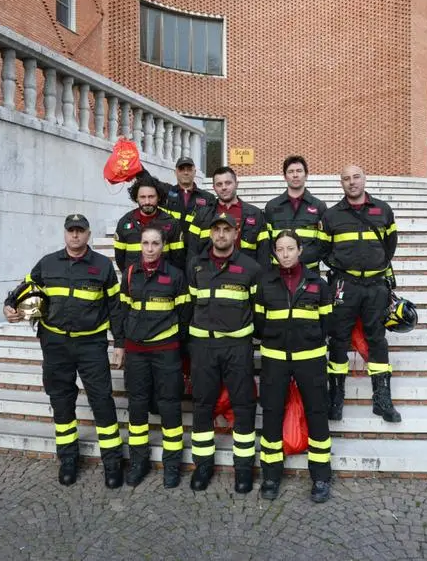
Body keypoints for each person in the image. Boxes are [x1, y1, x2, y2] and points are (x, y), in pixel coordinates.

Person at [2, 214, 125, 488]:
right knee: (61, 401)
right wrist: (10, 306)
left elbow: (116, 308)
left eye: (80, 231)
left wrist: (120, 343)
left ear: (89, 234)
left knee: (102, 400)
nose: (75, 236)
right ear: (65, 233)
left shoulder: (103, 266)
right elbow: (22, 289)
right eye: (71, 231)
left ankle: (113, 463)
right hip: (56, 343)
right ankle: (68, 459)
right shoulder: (47, 263)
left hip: (91, 344)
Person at [253, 230, 333, 503]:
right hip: (275, 358)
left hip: (310, 358)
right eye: (280, 249)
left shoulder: (318, 284)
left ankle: (321, 477)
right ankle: (271, 476)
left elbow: (326, 324)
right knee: (272, 415)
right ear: (274, 253)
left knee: (317, 414)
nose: (285, 254)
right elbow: (259, 324)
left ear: (300, 250)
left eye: (290, 248)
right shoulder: (265, 284)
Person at [185, 212, 261, 492]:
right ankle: (203, 466)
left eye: (226, 230)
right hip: (203, 347)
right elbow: (189, 306)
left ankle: (243, 469)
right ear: (209, 234)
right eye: (216, 229)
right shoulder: (196, 266)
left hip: (237, 348)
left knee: (243, 406)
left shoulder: (251, 268)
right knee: (203, 406)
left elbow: (258, 309)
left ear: (235, 233)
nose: (220, 235)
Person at [320, 165, 402, 423]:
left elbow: (390, 246)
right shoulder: (331, 215)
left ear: (365, 179)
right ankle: (336, 397)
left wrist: (375, 266)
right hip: (345, 286)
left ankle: (382, 398)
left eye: (356, 177)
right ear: (341, 183)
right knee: (338, 340)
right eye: (346, 178)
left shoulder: (383, 210)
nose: (352, 182)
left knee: (377, 339)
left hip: (376, 286)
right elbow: (323, 249)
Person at [112, 224, 191, 489]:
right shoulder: (130, 273)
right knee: (137, 406)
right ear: (139, 246)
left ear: (163, 246)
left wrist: (174, 344)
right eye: (145, 243)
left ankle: (172, 465)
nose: (149, 249)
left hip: (166, 350)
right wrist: (120, 344)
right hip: (136, 351)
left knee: (169, 406)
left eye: (155, 243)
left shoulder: (176, 276)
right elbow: (122, 311)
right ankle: (139, 462)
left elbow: (184, 316)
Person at [187, 166, 270, 267]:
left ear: (236, 184)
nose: (224, 187)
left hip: (245, 274)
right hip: (210, 275)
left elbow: (264, 254)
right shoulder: (202, 215)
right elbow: (192, 251)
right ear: (214, 188)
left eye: (228, 183)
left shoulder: (255, 214)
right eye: (219, 184)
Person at [263, 156, 329, 269]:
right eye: (290, 171)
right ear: (285, 176)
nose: (295, 175)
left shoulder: (319, 206)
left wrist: (310, 257)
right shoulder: (271, 207)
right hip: (279, 274)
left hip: (310, 273)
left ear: (306, 175)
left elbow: (324, 243)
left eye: (299, 171)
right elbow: (267, 242)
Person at [113, 175, 184, 273]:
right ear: (136, 198)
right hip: (135, 282)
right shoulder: (124, 222)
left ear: (158, 197)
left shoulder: (171, 223)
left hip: (164, 283)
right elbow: (120, 258)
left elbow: (178, 259)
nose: (147, 202)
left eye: (151, 197)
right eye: (143, 197)